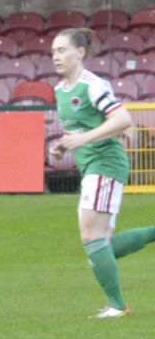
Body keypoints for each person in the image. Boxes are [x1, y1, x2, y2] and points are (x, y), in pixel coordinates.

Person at [50, 27, 155, 318]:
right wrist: (61, 146)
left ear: (80, 52)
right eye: (53, 52)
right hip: (92, 166)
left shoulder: (92, 85)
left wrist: (84, 139)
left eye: (62, 50)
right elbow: (79, 129)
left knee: (90, 235)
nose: (56, 57)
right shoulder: (60, 90)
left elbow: (123, 119)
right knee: (102, 244)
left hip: (106, 163)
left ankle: (117, 306)